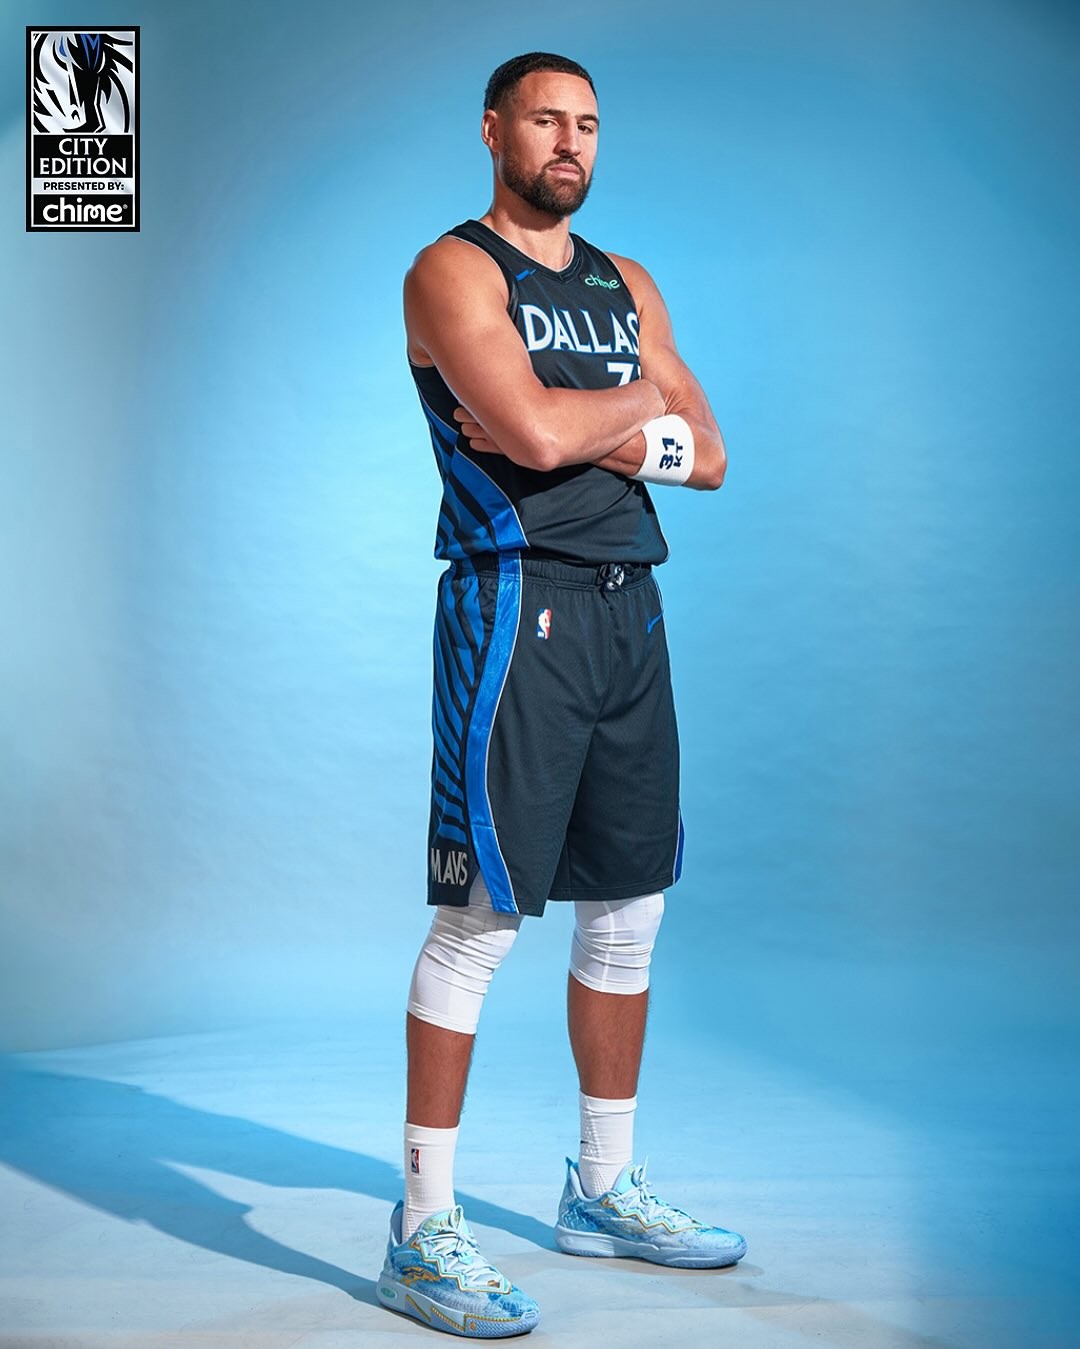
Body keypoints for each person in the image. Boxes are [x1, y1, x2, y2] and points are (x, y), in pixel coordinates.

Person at [376, 52, 745, 1338]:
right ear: (494, 130)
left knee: (630, 903)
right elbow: (529, 443)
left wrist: (593, 411)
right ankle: (422, 1227)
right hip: (513, 600)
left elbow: (710, 453)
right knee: (481, 914)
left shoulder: (626, 281)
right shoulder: (455, 270)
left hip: (629, 605)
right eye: (546, 119)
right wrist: (639, 407)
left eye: (587, 123)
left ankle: (602, 1185)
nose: (570, 141)